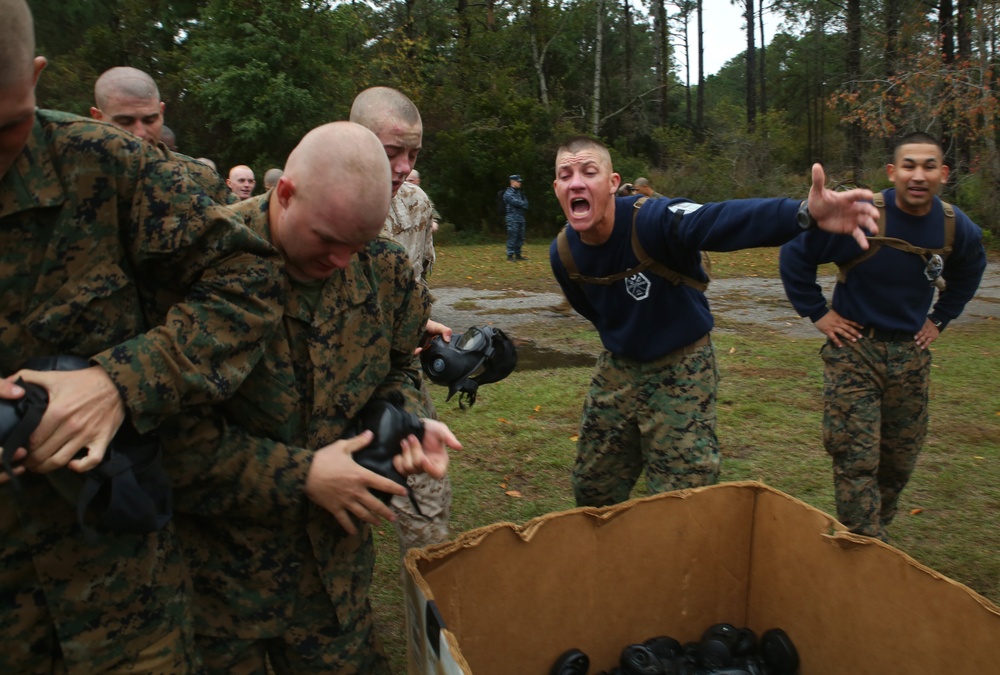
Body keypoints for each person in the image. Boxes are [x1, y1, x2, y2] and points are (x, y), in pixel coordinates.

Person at [0, 1, 285, 672]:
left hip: (120, 603)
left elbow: (247, 280)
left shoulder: (104, 167)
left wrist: (121, 381)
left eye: (7, 123)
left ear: (38, 77)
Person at [161, 121, 460, 673]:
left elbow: (395, 370)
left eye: (359, 244)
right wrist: (302, 475)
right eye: (328, 241)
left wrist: (404, 421)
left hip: (334, 585)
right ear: (286, 192)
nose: (343, 261)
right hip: (218, 589)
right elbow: (164, 436)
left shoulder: (387, 269)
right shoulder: (201, 261)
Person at [548, 135, 881, 508]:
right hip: (618, 368)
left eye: (589, 172)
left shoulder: (655, 219)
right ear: (558, 188)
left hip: (683, 366)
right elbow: (592, 310)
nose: (576, 181)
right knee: (592, 488)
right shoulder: (563, 254)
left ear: (612, 184)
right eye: (566, 174)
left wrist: (801, 213)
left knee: (682, 496)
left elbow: (715, 219)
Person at [779, 132, 986, 542]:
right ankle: (865, 543)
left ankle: (874, 530)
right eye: (908, 165)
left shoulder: (952, 225)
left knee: (899, 460)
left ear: (943, 174)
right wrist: (818, 313)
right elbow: (795, 254)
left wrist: (940, 319)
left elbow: (971, 268)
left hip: (910, 355)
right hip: (855, 351)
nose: (918, 175)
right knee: (856, 457)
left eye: (929, 166)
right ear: (892, 172)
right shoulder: (864, 214)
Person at [351, 86, 451, 552]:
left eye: (413, 153)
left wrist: (417, 325)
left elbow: (414, 284)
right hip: (323, 386)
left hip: (395, 372)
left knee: (427, 499)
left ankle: (430, 610)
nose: (405, 166)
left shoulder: (414, 205)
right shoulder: (313, 201)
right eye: (394, 152)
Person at [90, 66, 234, 204]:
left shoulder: (200, 178)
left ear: (161, 112)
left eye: (149, 120)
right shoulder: (77, 176)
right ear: (98, 118)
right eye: (125, 121)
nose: (140, 133)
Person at [503, 173, 529, 261]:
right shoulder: (508, 193)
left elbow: (526, 204)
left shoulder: (520, 193)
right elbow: (516, 202)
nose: (520, 183)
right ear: (512, 182)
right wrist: (522, 204)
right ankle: (510, 255)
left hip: (520, 218)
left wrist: (522, 204)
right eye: (518, 181)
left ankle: (518, 254)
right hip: (512, 218)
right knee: (513, 236)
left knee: (520, 237)